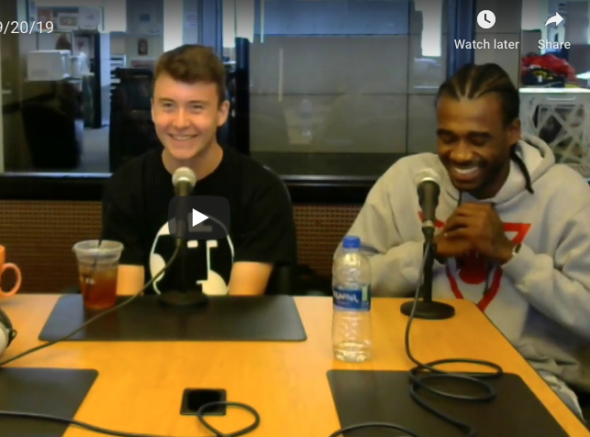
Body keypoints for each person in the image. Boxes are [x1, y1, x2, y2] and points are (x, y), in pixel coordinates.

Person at [343, 62, 590, 419]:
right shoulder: (404, 180)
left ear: (512, 132)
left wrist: (510, 254)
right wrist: (428, 253)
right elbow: (348, 281)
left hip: (531, 374)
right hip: (408, 364)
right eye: (448, 138)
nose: (459, 155)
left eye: (478, 140)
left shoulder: (566, 195)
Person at [102, 44, 297, 296]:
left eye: (196, 107)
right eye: (168, 105)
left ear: (222, 113)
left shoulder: (260, 190)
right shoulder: (126, 186)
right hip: (148, 322)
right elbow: (127, 304)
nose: (180, 122)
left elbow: (241, 308)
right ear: (152, 109)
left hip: (230, 321)